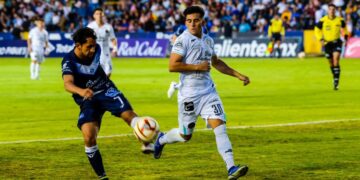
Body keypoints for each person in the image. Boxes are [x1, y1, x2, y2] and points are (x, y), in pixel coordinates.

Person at [154, 6, 250, 179]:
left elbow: (216, 62)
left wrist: (238, 75)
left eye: (196, 20)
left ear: (202, 21)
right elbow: (172, 66)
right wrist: (197, 66)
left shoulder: (208, 40)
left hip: (208, 92)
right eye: (189, 21)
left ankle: (231, 168)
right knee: (185, 136)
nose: (192, 24)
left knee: (220, 126)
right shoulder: (182, 41)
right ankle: (161, 139)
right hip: (188, 95)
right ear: (185, 22)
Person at [61, 28, 153, 180]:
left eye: (93, 45)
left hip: (106, 89)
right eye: (88, 47)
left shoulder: (97, 48)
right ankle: (102, 176)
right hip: (88, 97)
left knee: (128, 114)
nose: (92, 49)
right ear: (78, 45)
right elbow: (67, 84)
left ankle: (146, 141)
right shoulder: (69, 61)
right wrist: (82, 91)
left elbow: (95, 68)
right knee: (89, 136)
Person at [167, 24, 209, 98]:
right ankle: (177, 86)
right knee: (189, 73)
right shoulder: (182, 28)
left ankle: (176, 85)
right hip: (184, 51)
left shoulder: (203, 29)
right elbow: (175, 37)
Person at [315, 3, 348, 90]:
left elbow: (345, 29)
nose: (332, 11)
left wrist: (345, 37)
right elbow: (317, 30)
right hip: (327, 44)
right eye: (330, 9)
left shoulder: (340, 20)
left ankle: (336, 82)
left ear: (335, 11)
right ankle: (334, 76)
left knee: (336, 59)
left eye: (333, 10)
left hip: (337, 42)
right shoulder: (323, 20)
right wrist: (321, 39)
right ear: (328, 11)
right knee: (330, 62)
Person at [87, 8, 117, 77]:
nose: (99, 15)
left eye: (100, 13)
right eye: (97, 14)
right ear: (94, 16)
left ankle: (102, 85)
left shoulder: (108, 27)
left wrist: (115, 49)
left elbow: (113, 39)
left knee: (108, 72)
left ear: (103, 15)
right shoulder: (90, 27)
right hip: (94, 53)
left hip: (105, 53)